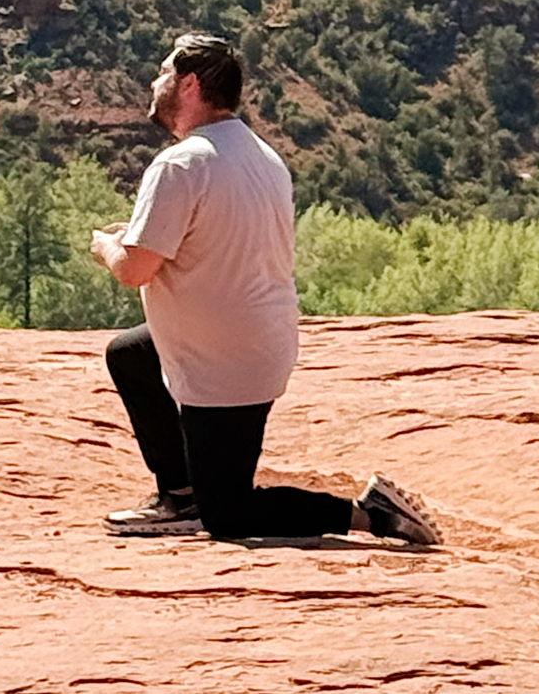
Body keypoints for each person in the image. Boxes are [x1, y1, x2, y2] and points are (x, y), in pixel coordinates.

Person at [91, 33, 440, 545]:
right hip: (254, 342)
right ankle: (180, 495)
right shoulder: (258, 154)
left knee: (230, 513)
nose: (154, 81)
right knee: (130, 354)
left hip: (222, 364)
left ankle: (370, 514)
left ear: (189, 84)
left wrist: (108, 245)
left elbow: (134, 270)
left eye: (163, 72)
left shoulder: (181, 163)